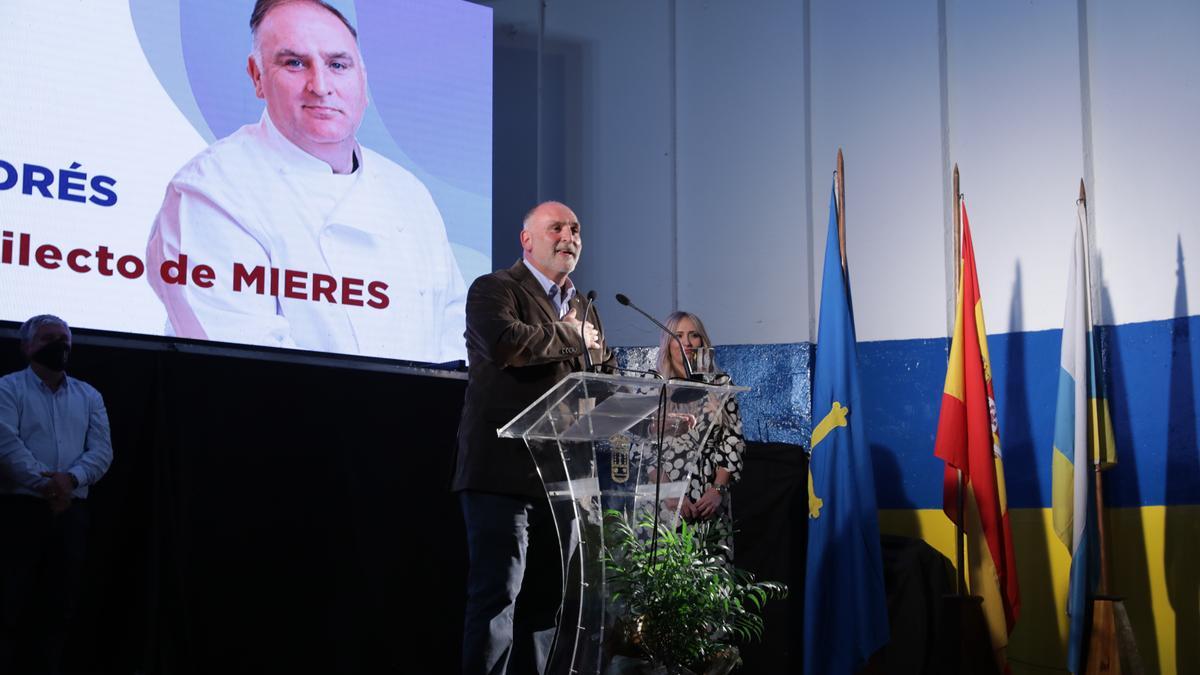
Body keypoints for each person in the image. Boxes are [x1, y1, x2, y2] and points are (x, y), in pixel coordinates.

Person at [146, 0, 466, 363]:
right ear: (257, 76)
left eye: (337, 65)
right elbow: (241, 363)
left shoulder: (408, 192)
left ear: (362, 77)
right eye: (294, 63)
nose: (321, 86)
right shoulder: (211, 191)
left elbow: (455, 333)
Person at [453, 201, 614, 675]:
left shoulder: (585, 306)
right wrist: (570, 335)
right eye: (556, 227)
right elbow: (507, 343)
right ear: (527, 239)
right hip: (502, 474)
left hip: (564, 478)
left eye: (576, 229)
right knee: (496, 603)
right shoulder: (493, 289)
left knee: (549, 608)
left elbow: (600, 378)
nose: (569, 236)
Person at [0, 315, 113, 674]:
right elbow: (6, 445)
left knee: (59, 606)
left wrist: (71, 480)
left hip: (70, 516)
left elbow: (101, 451)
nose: (59, 345)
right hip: (19, 511)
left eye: (64, 338)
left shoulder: (89, 395)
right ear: (27, 346)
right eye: (48, 338)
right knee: (9, 602)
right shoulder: (7, 388)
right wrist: (46, 484)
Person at [654, 311, 745, 561]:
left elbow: (733, 441)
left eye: (694, 335)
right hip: (666, 496)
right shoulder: (652, 386)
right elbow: (642, 448)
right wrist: (672, 493)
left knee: (711, 581)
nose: (687, 342)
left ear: (702, 342)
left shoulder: (721, 384)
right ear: (668, 343)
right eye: (679, 335)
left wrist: (717, 490)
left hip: (709, 497)